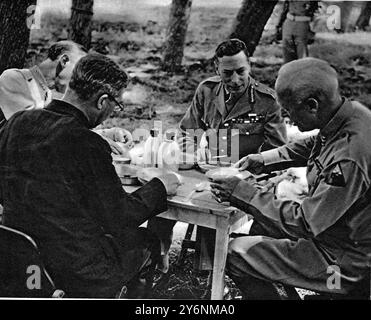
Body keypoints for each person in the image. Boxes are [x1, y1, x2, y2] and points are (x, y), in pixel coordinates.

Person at [0, 53, 181, 298]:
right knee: (146, 239)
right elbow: (120, 217)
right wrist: (160, 186)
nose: (112, 111)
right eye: (116, 105)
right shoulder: (87, 142)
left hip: (17, 257)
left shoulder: (17, 122)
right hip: (75, 270)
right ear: (101, 101)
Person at [210, 58, 371, 299]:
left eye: (288, 110)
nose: (286, 118)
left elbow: (306, 223)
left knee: (233, 252)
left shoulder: (347, 159)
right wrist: (265, 159)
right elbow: (317, 144)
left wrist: (244, 194)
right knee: (263, 223)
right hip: (340, 237)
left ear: (312, 106)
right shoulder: (353, 115)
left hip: (344, 266)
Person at [147, 38, 287, 279]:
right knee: (161, 199)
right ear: (216, 69)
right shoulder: (207, 90)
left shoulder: (267, 101)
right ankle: (157, 262)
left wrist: (248, 173)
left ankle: (209, 274)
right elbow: (187, 131)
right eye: (227, 73)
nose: (235, 80)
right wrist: (192, 151)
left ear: (249, 66)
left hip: (244, 177)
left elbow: (278, 152)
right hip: (204, 170)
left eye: (241, 71)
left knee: (214, 211)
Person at [0, 40, 129, 154]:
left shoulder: (52, 94)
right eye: (79, 68)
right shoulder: (13, 78)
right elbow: (33, 132)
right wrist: (95, 138)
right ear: (64, 61)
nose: (82, 77)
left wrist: (106, 133)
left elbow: (58, 131)